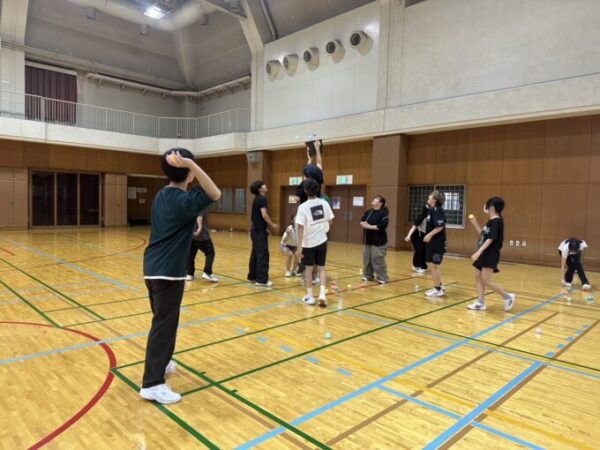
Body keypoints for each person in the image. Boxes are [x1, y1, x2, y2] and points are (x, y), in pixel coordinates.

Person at [140, 148, 221, 404]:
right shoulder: (184, 201)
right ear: (188, 172)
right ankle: (152, 384)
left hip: (152, 268)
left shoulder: (162, 195)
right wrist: (191, 165)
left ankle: (162, 363)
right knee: (163, 326)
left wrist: (188, 166)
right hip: (168, 273)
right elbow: (215, 193)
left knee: (164, 322)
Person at [466, 197, 516, 311]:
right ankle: (480, 303)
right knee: (477, 276)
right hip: (484, 253)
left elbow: (491, 239)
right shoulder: (491, 221)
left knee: (486, 281)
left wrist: (478, 252)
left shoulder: (497, 221)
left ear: (492, 207)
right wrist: (475, 224)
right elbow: (483, 235)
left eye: (488, 204)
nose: (486, 206)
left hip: (490, 254)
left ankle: (508, 297)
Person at [295, 178, 334, 307]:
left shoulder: (303, 207)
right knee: (321, 268)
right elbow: (330, 221)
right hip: (322, 240)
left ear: (305, 191)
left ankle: (310, 296)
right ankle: (322, 295)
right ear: (317, 189)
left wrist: (299, 248)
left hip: (308, 243)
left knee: (309, 269)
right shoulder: (324, 203)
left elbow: (300, 227)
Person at [248, 180, 276, 287]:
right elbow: (264, 215)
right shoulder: (262, 199)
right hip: (259, 232)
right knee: (263, 255)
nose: (265, 186)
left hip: (255, 230)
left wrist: (265, 228)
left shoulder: (256, 199)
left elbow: (257, 217)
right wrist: (272, 224)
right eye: (263, 185)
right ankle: (261, 280)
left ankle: (252, 276)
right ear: (260, 189)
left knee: (255, 254)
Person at [360, 195, 390, 284]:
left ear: (380, 203)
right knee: (367, 259)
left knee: (377, 259)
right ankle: (368, 275)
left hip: (379, 241)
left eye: (376, 199)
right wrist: (363, 224)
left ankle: (383, 278)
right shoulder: (368, 212)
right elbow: (362, 221)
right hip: (367, 240)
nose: (374, 199)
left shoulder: (383, 214)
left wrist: (369, 226)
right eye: (374, 198)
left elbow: (381, 226)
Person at [423, 190, 447, 298]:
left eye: (430, 197)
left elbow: (440, 226)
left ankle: (437, 289)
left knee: (434, 265)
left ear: (434, 199)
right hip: (432, 242)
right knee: (429, 263)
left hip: (437, 243)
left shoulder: (436, 209)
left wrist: (429, 235)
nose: (428, 198)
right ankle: (439, 285)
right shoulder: (432, 210)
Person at [186, 204, 218, 283]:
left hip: (190, 233)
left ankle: (189, 274)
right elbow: (199, 215)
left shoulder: (189, 203)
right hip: (201, 235)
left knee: (190, 254)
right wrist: (200, 227)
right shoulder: (200, 203)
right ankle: (207, 272)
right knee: (210, 253)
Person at [404, 204, 429, 274]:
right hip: (416, 236)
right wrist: (408, 236)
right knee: (419, 250)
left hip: (424, 236)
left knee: (424, 251)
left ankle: (422, 267)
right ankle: (417, 266)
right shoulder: (421, 217)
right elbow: (414, 226)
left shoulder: (432, 218)